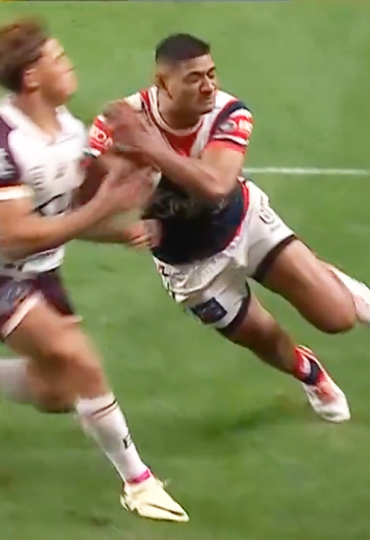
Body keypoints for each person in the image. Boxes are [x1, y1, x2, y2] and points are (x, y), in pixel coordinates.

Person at [0, 18, 187, 522]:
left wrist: (120, 218)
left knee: (59, 392)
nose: (68, 64)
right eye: (58, 58)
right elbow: (15, 235)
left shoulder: (69, 130)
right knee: (83, 362)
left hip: (41, 274)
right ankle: (139, 483)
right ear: (32, 76)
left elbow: (61, 218)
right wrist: (106, 206)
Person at [87, 33, 370, 423]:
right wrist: (123, 228)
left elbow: (216, 185)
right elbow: (83, 209)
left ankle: (319, 273)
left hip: (246, 225)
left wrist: (151, 149)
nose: (209, 86)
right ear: (163, 82)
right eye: (194, 78)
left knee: (337, 318)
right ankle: (310, 373)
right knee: (265, 339)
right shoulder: (117, 126)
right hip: (191, 269)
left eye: (212, 74)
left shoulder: (229, 112)